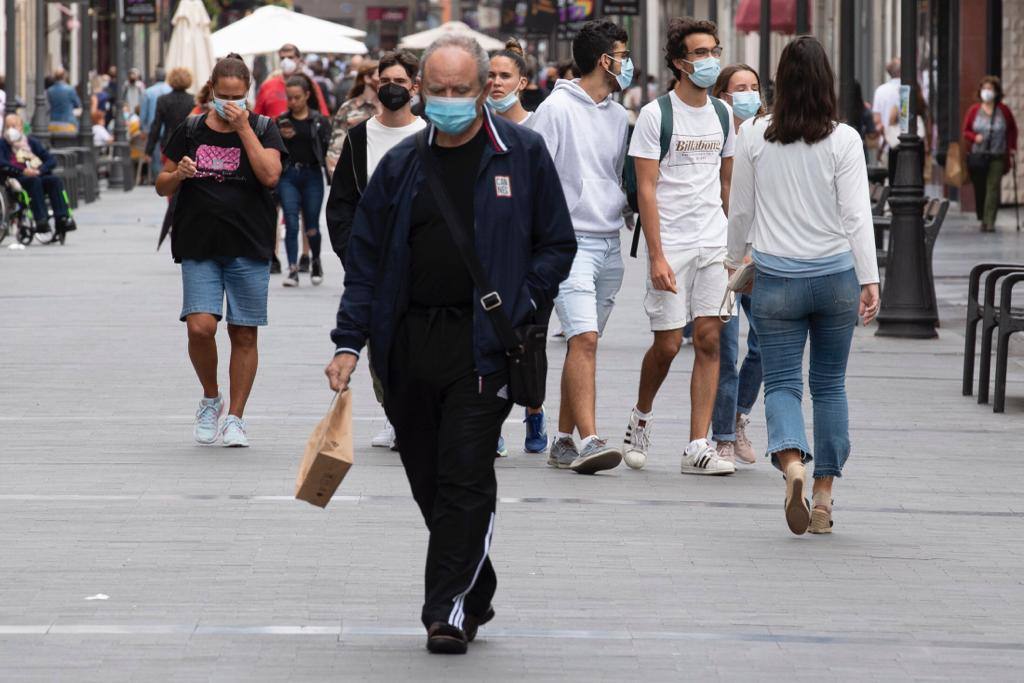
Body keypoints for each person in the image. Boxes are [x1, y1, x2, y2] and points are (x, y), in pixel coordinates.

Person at [324, 34, 575, 654]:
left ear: (485, 87)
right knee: (428, 480)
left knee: (465, 474)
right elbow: (366, 261)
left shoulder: (523, 153)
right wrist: (349, 342)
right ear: (420, 91)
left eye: (463, 89)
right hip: (406, 343)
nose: (452, 99)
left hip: (484, 346)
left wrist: (521, 305)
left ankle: (449, 609)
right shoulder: (401, 164)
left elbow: (557, 243)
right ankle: (475, 582)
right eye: (440, 90)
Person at [726, 36, 881, 535]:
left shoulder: (753, 135)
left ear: (779, 83)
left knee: (783, 383)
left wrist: (734, 261)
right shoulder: (844, 139)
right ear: (827, 83)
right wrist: (869, 277)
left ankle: (792, 462)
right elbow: (857, 215)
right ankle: (824, 497)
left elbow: (741, 208)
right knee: (830, 385)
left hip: (775, 280)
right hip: (836, 276)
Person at [622, 18, 736, 476]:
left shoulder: (725, 114)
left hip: (713, 240)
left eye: (714, 50)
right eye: (700, 53)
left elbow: (728, 184)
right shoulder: (655, 115)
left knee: (710, 339)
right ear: (678, 63)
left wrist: (736, 246)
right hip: (672, 242)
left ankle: (697, 444)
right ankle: (641, 416)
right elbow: (646, 190)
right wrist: (657, 256)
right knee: (668, 345)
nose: (710, 60)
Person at [155, 53, 286, 449]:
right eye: (224, 95)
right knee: (200, 326)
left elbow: (269, 175)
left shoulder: (263, 127)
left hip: (248, 243)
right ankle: (211, 398)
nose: (231, 102)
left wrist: (244, 127)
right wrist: (178, 174)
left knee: (244, 331)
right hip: (199, 244)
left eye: (239, 95)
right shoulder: (191, 128)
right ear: (211, 90)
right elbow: (161, 184)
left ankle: (236, 418)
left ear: (248, 92)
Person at [528, 20, 631, 474]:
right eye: (623, 56)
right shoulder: (554, 110)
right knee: (583, 338)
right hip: (569, 245)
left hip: (610, 242)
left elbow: (615, 176)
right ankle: (590, 439)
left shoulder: (617, 114)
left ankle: (564, 442)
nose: (627, 64)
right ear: (604, 60)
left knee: (582, 345)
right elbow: (533, 174)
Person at [325, 50, 426, 450]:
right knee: (383, 344)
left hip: (423, 260)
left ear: (415, 87)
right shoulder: (359, 136)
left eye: (401, 82)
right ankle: (395, 413)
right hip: (376, 260)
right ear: (375, 84)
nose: (393, 88)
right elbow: (342, 204)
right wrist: (353, 253)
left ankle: (412, 416)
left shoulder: (430, 134)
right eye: (386, 81)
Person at [487, 38, 547, 455]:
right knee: (488, 338)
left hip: (529, 251)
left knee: (531, 338)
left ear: (522, 82)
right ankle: (492, 423)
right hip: (487, 249)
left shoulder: (539, 128)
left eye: (504, 76)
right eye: (489, 76)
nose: (495, 83)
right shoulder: (476, 127)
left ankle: (535, 411)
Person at [277, 74, 330, 287]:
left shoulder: (318, 121)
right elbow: (274, 149)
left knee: (311, 225)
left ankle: (315, 260)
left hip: (312, 175)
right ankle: (292, 269)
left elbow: (328, 148)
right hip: (288, 175)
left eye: (297, 97)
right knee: (290, 222)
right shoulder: (281, 120)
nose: (293, 102)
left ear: (307, 95)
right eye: (289, 98)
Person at [0, 113, 76, 237]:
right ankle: (41, 219)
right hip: (16, 178)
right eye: (8, 126)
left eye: (14, 126)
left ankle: (62, 218)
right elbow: (2, 162)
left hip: (37, 174)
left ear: (20, 127)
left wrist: (40, 170)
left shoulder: (31, 142)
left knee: (54, 181)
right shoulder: (3, 144)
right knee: (34, 182)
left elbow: (50, 160)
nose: (11, 129)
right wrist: (22, 171)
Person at [963, 75, 1018, 232]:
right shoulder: (974, 110)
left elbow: (1012, 129)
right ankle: (982, 217)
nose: (987, 92)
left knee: (993, 188)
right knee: (981, 188)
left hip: (997, 155)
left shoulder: (1003, 111)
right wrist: (975, 137)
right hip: (978, 156)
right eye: (984, 89)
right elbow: (966, 130)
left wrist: (1012, 147)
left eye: (990, 89)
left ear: (996, 92)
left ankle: (989, 221)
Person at [325, 61, 381, 177]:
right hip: (354, 173)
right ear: (367, 78)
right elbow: (336, 145)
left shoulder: (389, 107)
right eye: (379, 75)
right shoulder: (348, 108)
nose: (384, 80)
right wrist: (335, 175)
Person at [254, 44, 331, 119]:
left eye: (290, 57)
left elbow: (323, 114)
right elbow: (257, 117)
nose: (286, 61)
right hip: (274, 130)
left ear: (299, 59)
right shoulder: (267, 86)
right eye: (282, 58)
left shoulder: (309, 84)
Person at [146, 68, 194, 170]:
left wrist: (149, 151)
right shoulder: (193, 100)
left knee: (169, 174)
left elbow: (156, 126)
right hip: (189, 144)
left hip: (168, 143)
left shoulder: (163, 100)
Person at [871, 58, 901, 155]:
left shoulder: (880, 91)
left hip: (887, 144)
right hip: (908, 145)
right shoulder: (908, 88)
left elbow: (877, 121)